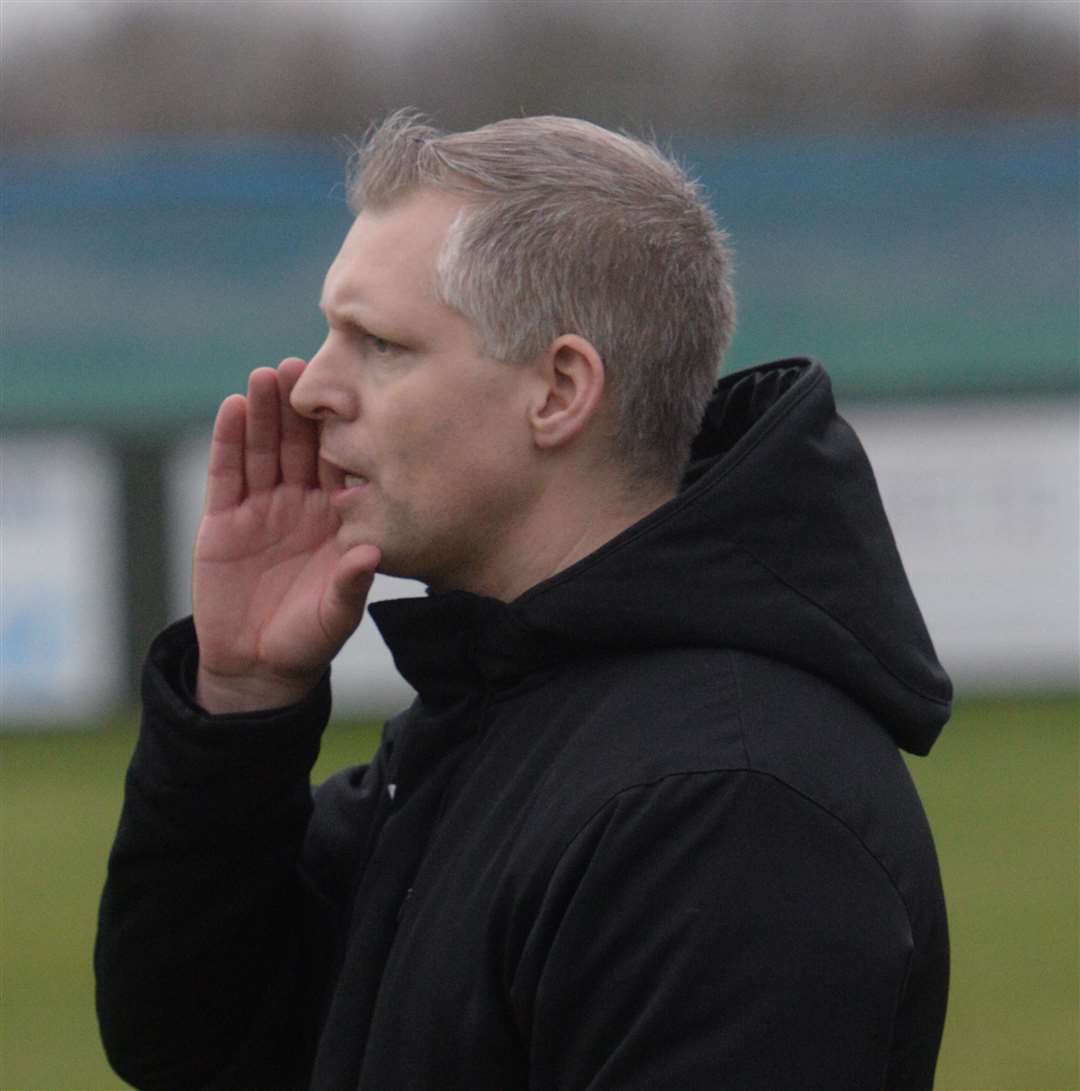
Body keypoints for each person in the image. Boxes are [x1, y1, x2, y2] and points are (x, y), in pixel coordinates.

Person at [95, 112, 951, 1091]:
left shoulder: (730, 807)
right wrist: (242, 698)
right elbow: (196, 1037)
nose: (315, 387)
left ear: (558, 390)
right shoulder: (499, 707)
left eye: (379, 343)